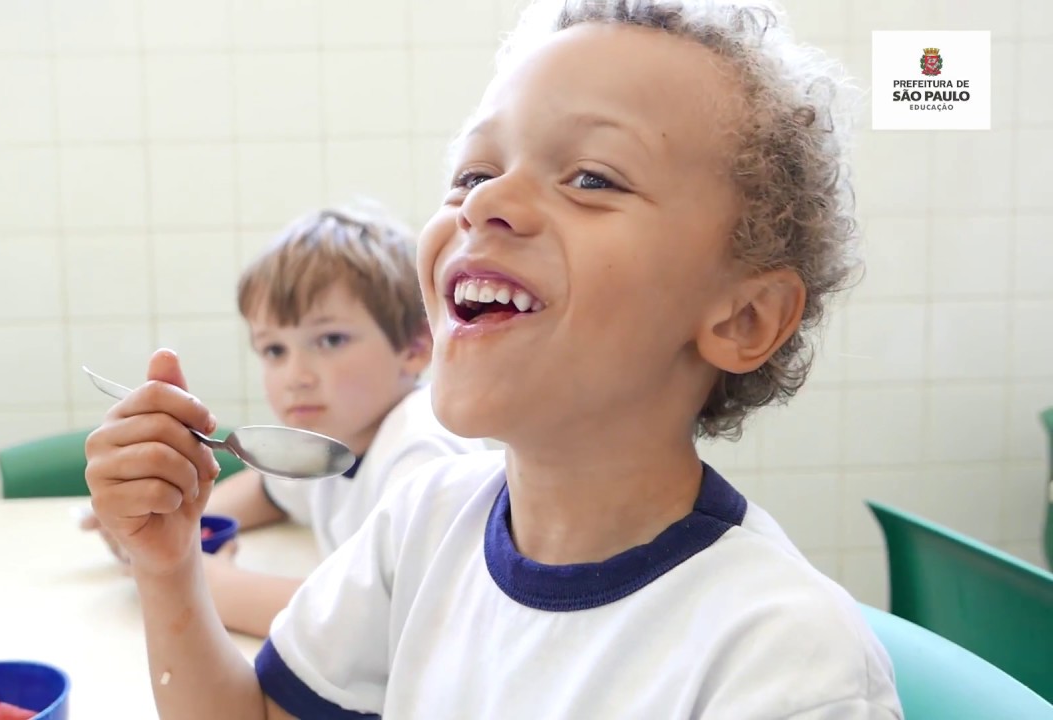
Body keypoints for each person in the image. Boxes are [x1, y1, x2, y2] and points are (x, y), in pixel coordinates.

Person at [82, 0, 903, 717]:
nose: (485, 202)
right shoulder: (423, 524)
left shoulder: (783, 659)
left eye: (591, 178)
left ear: (744, 317)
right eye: (473, 172)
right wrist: (169, 568)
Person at [84, 205, 487, 638]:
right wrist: (161, 521)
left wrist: (194, 579)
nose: (296, 377)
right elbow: (269, 491)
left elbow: (375, 623)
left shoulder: (422, 453)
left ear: (416, 347)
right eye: (274, 350)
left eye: (330, 340)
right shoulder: (335, 439)